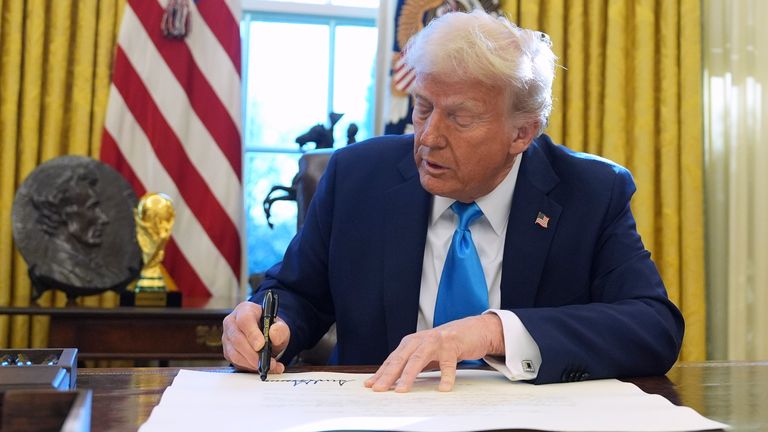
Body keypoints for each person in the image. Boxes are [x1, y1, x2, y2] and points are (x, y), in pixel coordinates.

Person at [223, 9, 684, 392]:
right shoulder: (356, 177)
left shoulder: (590, 191)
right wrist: (268, 326)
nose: (428, 137)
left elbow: (651, 326)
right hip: (377, 414)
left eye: (460, 118)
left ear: (522, 133)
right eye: (423, 107)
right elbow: (295, 292)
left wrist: (493, 331)